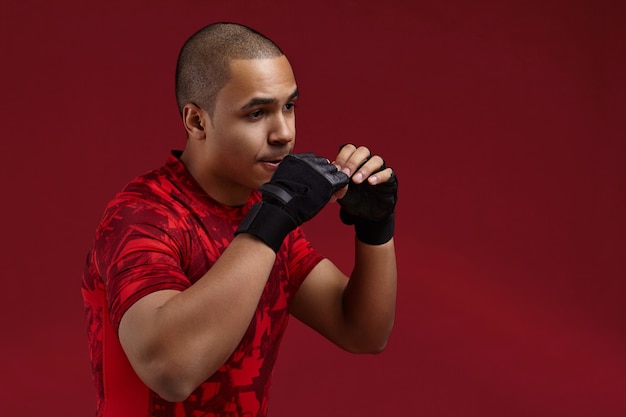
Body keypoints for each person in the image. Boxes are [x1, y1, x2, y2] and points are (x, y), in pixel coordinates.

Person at [82, 21, 398, 417]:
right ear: (197, 121)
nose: (283, 133)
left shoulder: (264, 213)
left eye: (289, 106)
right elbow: (170, 372)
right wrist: (274, 216)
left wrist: (376, 229)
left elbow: (361, 331)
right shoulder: (141, 216)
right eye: (256, 113)